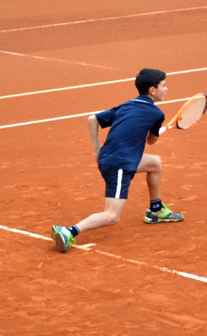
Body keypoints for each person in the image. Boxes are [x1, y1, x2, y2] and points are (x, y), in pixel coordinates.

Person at [52, 68, 183, 253]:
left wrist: (97, 149)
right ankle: (68, 231)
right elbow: (151, 141)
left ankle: (156, 210)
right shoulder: (156, 114)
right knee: (112, 216)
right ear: (152, 90)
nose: (166, 89)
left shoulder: (128, 105)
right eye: (164, 86)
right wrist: (156, 132)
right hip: (119, 164)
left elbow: (92, 119)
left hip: (106, 157)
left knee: (154, 163)